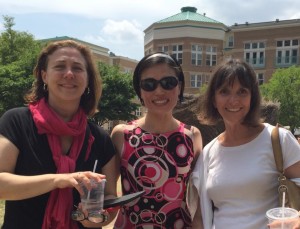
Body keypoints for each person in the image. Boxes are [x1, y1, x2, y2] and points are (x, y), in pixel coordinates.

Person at [0, 40, 119, 229]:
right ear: (44, 75)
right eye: (60, 66)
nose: (69, 74)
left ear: (87, 79)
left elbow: (111, 197)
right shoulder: (16, 121)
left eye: (78, 68)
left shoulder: (100, 138)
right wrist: (58, 180)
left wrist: (96, 219)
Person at [190, 58, 300, 229]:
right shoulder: (208, 152)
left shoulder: (278, 140)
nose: (234, 100)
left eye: (242, 92)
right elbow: (199, 218)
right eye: (224, 92)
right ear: (213, 100)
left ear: (252, 97)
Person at [110, 52, 203, 228]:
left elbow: (200, 196)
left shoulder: (192, 136)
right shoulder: (122, 135)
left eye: (168, 83)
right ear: (140, 91)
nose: (159, 91)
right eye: (149, 84)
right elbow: (107, 194)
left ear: (180, 86)